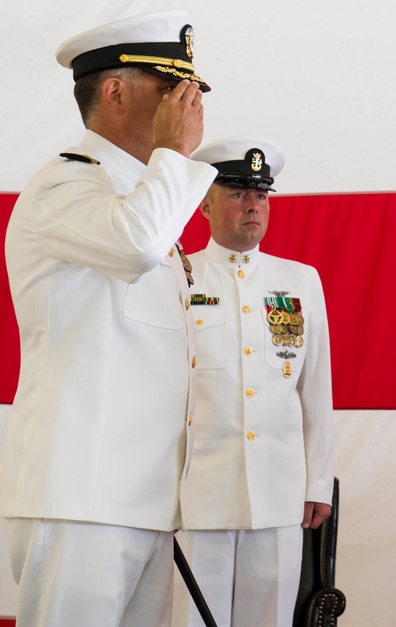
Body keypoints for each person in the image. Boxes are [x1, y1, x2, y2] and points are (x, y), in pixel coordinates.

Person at [0, 11, 218, 627]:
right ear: (115, 92)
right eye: (172, 88)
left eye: (193, 90)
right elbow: (135, 243)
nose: (190, 103)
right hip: (80, 496)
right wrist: (174, 153)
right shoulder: (65, 188)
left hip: (140, 499)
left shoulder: (146, 198)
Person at [172, 137, 335, 627]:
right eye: (237, 193)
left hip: (279, 495)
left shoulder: (300, 281)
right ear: (204, 204)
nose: (252, 206)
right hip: (197, 494)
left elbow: (316, 389)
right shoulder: (177, 277)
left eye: (261, 195)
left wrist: (318, 481)